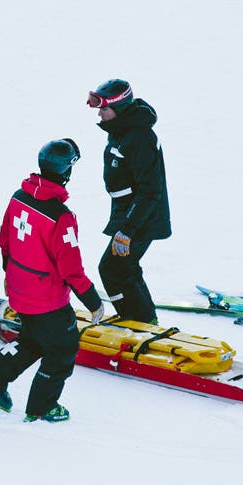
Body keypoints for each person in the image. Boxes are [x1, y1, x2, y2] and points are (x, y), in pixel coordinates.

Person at [0, 139, 104, 423]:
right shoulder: (61, 217)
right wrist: (93, 302)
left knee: (33, 339)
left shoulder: (18, 197)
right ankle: (41, 407)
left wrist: (11, 277)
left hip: (21, 290)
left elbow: (4, 241)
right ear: (66, 171)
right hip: (47, 299)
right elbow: (71, 269)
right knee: (63, 347)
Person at [87, 79, 171, 324]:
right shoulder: (122, 130)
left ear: (120, 109)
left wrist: (127, 230)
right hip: (129, 213)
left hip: (141, 216)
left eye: (104, 109)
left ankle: (139, 321)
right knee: (125, 268)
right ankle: (141, 319)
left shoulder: (139, 137)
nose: (100, 114)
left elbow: (150, 190)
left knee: (112, 269)